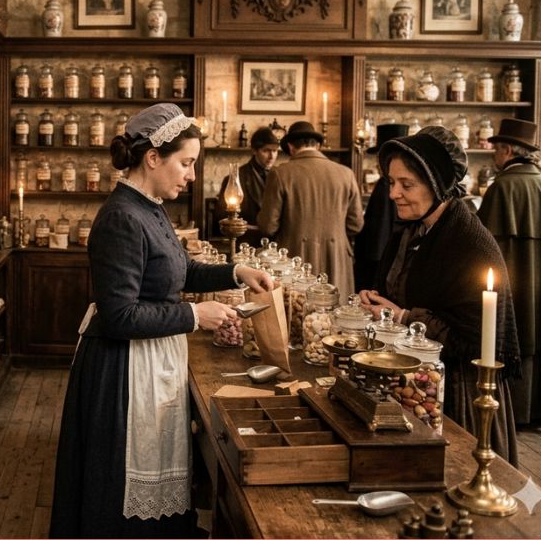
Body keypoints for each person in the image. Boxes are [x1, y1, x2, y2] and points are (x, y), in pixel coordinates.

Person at [50, 103, 273, 538]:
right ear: (153, 157)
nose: (191, 175)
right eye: (186, 163)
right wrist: (195, 313)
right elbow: (119, 315)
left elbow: (180, 271)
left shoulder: (149, 207)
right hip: (123, 373)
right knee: (120, 492)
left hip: (149, 361)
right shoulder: (121, 218)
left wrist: (235, 271)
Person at [359, 126, 521, 465]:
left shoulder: (468, 244)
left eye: (407, 184)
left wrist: (403, 317)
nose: (393, 194)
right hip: (421, 384)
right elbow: (400, 291)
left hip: (460, 395)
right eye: (391, 182)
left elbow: (473, 340)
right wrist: (379, 304)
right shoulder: (415, 230)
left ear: (437, 185)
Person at [477, 118, 541, 426]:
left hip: (514, 283)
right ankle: (539, 409)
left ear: (508, 150)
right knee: (540, 331)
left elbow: (483, 244)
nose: (493, 155)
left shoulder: (502, 187)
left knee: (517, 332)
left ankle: (512, 410)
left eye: (496, 149)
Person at [258, 120, 363, 297]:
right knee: (335, 316)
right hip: (336, 260)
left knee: (297, 315)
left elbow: (268, 226)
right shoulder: (346, 173)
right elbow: (356, 225)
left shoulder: (280, 173)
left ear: (290, 147)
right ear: (318, 145)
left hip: (294, 262)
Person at [353, 123, 409, 290]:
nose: (377, 161)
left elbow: (379, 233)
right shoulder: (385, 183)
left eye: (380, 156)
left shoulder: (386, 185)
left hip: (379, 262)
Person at [215, 126, 280, 246]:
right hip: (247, 243)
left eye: (275, 151)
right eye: (266, 151)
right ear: (254, 150)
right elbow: (222, 216)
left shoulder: (280, 175)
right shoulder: (236, 177)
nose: (272, 156)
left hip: (275, 244)